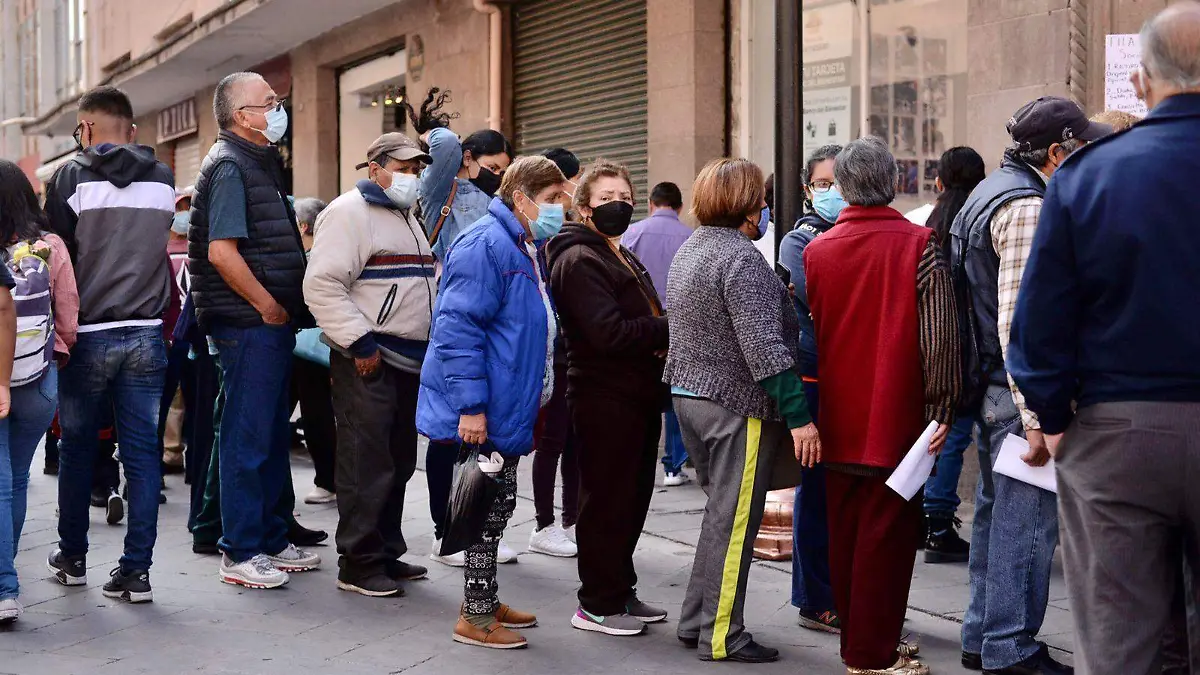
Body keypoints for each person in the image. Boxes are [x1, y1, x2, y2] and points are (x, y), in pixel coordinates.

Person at [1009, 5, 1200, 672]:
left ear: (1142, 80)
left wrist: (1054, 417)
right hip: (1121, 418)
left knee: (1120, 642)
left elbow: (1040, 322)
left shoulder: (1088, 174)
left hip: (1118, 431)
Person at [953, 97, 1110, 675]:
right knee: (1026, 528)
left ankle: (983, 637)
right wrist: (1037, 415)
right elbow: (1019, 321)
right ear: (1056, 153)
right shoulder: (1027, 207)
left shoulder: (992, 191)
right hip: (1013, 393)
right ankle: (1010, 646)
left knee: (997, 521)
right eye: (1082, 144)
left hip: (993, 387)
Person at [805, 138, 960, 675]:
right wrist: (943, 407)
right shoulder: (920, 243)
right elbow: (939, 337)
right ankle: (871, 655)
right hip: (898, 414)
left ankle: (863, 643)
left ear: (844, 187)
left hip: (838, 413)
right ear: (893, 182)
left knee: (847, 537)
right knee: (886, 542)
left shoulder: (817, 251)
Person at [664, 157, 816, 664]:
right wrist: (800, 418)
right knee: (736, 526)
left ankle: (696, 622)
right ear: (747, 207)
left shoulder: (693, 248)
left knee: (719, 517)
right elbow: (764, 350)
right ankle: (722, 634)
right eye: (762, 201)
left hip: (691, 397)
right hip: (734, 404)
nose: (766, 209)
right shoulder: (741, 259)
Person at [416, 155, 569, 649]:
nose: (559, 208)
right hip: (487, 405)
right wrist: (472, 408)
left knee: (498, 504)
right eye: (551, 199)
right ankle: (475, 615)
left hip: (508, 402)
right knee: (484, 508)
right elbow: (457, 332)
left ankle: (484, 597)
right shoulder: (485, 244)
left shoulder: (517, 242)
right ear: (521, 198)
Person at [188, 71, 320, 589]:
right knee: (248, 437)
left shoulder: (256, 161)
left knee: (265, 433)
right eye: (270, 102)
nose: (279, 108)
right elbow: (222, 253)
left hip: (264, 325)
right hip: (248, 324)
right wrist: (267, 306)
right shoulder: (229, 165)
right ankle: (241, 550)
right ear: (243, 116)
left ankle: (268, 537)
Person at [43, 86, 173, 604]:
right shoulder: (163, 179)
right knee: (142, 455)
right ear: (132, 129)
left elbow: (55, 258)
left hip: (88, 334)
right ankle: (136, 572)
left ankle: (72, 558)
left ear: (86, 129)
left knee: (77, 449)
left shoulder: (69, 178)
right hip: (146, 332)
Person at [304, 134, 437, 598]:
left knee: (397, 460)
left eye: (416, 169)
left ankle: (385, 551)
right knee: (366, 461)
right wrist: (360, 344)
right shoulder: (348, 213)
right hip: (368, 357)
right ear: (375, 168)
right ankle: (358, 563)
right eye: (403, 167)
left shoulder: (406, 215)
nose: (412, 176)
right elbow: (321, 285)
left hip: (407, 359)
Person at [547, 161, 670, 637]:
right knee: (606, 500)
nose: (618, 204)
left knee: (631, 498)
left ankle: (620, 589)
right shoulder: (580, 259)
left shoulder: (617, 252)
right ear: (584, 208)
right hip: (604, 396)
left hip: (637, 393)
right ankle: (596, 603)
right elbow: (607, 333)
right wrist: (664, 329)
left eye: (624, 196)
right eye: (605, 198)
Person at [407, 89, 518, 567]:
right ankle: (444, 532)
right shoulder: (442, 187)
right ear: (468, 159)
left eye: (504, 168)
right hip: (449, 324)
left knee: (476, 437)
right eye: (492, 166)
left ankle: (472, 528)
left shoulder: (496, 203)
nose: (498, 175)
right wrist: (432, 131)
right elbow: (446, 144)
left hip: (486, 330)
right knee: (447, 434)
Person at [777, 143, 843, 635]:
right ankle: (814, 598)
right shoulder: (798, 241)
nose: (832, 191)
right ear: (807, 189)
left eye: (840, 182)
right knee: (816, 490)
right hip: (816, 377)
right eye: (823, 184)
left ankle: (845, 589)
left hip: (852, 379)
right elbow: (824, 303)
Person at [0, 161, 67, 622]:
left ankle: (5, 584)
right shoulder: (50, 245)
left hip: (1, 380)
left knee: (1, 484)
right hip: (39, 379)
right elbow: (69, 315)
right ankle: (5, 575)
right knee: (16, 479)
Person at [921, 146, 985, 565]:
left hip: (935, 340)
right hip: (972, 345)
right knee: (957, 435)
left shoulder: (931, 223)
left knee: (940, 434)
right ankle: (939, 523)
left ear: (940, 181)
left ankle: (932, 518)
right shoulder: (979, 217)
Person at [527, 147, 582, 559]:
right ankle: (544, 524)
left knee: (574, 440)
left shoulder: (571, 227)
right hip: (552, 353)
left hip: (575, 351)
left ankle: (570, 519)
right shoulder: (533, 237)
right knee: (552, 440)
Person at [622, 181, 693, 487]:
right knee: (677, 393)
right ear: (679, 207)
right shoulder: (690, 237)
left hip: (641, 326)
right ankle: (673, 466)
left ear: (651, 204)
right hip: (679, 325)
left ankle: (634, 460)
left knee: (638, 393)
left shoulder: (631, 234)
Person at [290, 196, 337, 505]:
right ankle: (329, 480)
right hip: (321, 347)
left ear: (303, 226)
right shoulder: (330, 255)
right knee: (319, 414)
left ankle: (327, 481)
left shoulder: (307, 260)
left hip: (307, 350)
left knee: (316, 414)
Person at [159, 188, 193, 476]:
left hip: (195, 332)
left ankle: (184, 454)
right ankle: (171, 452)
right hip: (172, 334)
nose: (184, 214)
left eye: (187, 207)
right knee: (174, 397)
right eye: (179, 208)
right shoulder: (160, 252)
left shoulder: (200, 248)